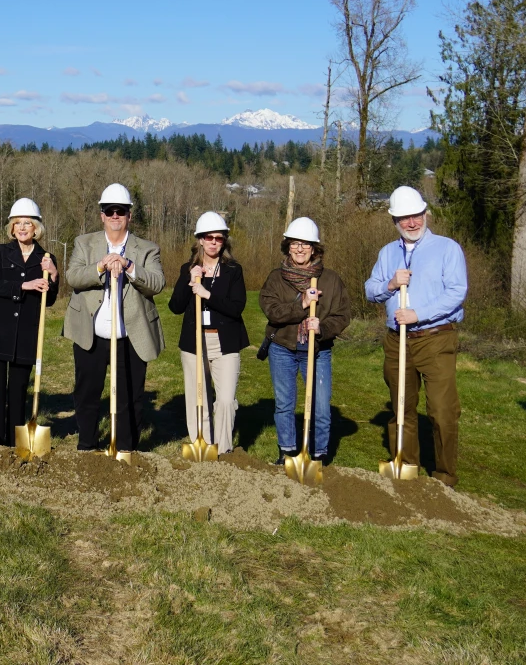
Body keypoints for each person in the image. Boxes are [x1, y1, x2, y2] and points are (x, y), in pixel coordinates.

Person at [365, 186, 468, 487]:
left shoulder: (447, 249)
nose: (412, 223)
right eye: (404, 218)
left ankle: (444, 475)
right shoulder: (387, 253)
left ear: (426, 214)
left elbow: (457, 292)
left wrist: (418, 313)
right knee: (401, 407)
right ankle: (406, 468)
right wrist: (390, 284)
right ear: (394, 221)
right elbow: (370, 289)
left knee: (441, 409)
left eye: (416, 216)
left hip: (435, 338)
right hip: (397, 341)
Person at [62, 183, 165, 452]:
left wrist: (130, 267)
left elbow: (157, 283)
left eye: (121, 211)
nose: (115, 216)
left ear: (130, 215)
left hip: (130, 335)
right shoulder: (84, 243)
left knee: (130, 396)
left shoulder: (147, 249)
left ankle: (126, 448)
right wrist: (99, 266)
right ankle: (87, 444)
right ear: (102, 215)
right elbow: (72, 276)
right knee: (87, 394)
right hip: (92, 334)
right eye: (110, 211)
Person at [260, 217, 352, 466]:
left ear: (315, 248)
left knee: (321, 408)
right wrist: (300, 304)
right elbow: (272, 311)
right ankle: (288, 452)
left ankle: (319, 455)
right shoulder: (276, 278)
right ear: (287, 246)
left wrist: (321, 328)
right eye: (294, 244)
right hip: (283, 348)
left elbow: (343, 315)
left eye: (305, 244)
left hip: (318, 350)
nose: (300, 249)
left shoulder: (331, 280)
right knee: (284, 405)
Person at [0, 197, 59, 446]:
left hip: (26, 335)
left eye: (27, 223)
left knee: (19, 390)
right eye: (17, 223)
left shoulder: (46, 258)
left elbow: (50, 299)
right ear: (12, 227)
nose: (22, 228)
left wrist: (53, 273)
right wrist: (24, 285)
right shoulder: (1, 252)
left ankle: (15, 443)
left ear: (36, 228)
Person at [167, 211, 248, 454]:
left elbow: (237, 307)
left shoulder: (233, 270)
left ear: (224, 241)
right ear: (200, 240)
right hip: (194, 343)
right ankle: (201, 444)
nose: (214, 242)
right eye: (209, 237)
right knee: (197, 397)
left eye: (219, 238)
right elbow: (175, 306)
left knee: (225, 400)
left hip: (225, 342)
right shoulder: (188, 269)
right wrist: (188, 281)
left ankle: (223, 449)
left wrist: (207, 294)